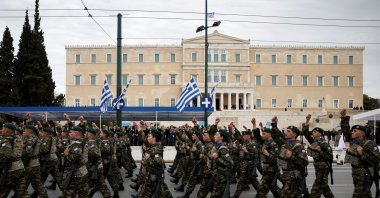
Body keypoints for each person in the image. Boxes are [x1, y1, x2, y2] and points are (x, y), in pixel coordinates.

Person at [271, 116, 309, 197]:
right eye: (286, 131)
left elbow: (305, 162)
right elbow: (275, 137)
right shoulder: (285, 143)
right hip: (286, 175)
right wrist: (274, 124)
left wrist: (292, 156)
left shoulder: (298, 146)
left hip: (294, 177)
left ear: (294, 134)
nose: (286, 132)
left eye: (288, 131)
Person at [302, 114, 334, 198]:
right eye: (313, 131)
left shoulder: (323, 143)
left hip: (324, 167)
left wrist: (320, 151)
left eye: (315, 132)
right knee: (324, 187)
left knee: (317, 187)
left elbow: (330, 157)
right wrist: (307, 121)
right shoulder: (314, 142)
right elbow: (305, 133)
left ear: (320, 134)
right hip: (317, 166)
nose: (313, 133)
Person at [345, 124, 380, 197]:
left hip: (365, 176)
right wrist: (343, 118)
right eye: (352, 131)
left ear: (362, 133)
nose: (352, 132)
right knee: (365, 195)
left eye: (355, 131)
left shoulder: (369, 144)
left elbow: (376, 160)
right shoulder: (354, 143)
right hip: (356, 175)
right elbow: (345, 131)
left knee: (358, 195)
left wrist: (362, 153)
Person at [0, 123, 29, 198]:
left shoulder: (6, 141)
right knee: (22, 192)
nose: (1, 130)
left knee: (2, 191)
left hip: (11, 169)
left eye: (3, 129)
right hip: (20, 167)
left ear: (7, 131)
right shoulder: (19, 139)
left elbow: (5, 156)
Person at [61, 126, 90, 197]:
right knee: (83, 193)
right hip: (80, 171)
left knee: (68, 194)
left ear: (77, 133)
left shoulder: (77, 144)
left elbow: (75, 158)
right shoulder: (79, 142)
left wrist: (66, 154)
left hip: (76, 173)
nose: (69, 133)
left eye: (71, 132)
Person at [22, 125, 49, 198]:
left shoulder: (30, 140)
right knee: (37, 185)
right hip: (35, 164)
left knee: (22, 185)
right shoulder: (35, 138)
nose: (24, 132)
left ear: (29, 131)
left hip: (30, 164)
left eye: (25, 130)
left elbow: (27, 152)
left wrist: (21, 147)